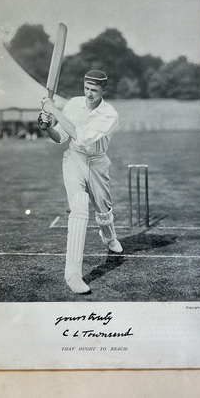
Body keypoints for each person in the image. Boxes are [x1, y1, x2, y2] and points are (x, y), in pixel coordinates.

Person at [38, 70, 123, 294]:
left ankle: (109, 237)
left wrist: (53, 109)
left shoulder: (110, 114)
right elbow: (61, 137)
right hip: (74, 158)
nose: (88, 94)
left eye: (94, 90)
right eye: (86, 88)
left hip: (97, 161)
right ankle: (73, 274)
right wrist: (47, 126)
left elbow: (81, 135)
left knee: (103, 211)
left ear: (104, 90)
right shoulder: (74, 104)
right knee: (79, 207)